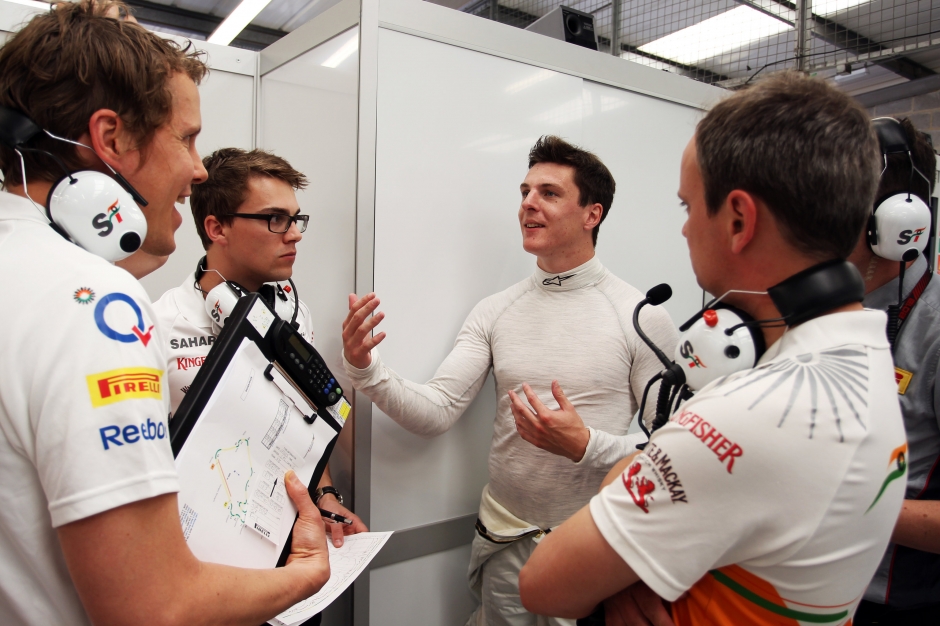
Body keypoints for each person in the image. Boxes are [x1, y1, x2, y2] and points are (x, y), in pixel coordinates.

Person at [517, 72, 907, 626]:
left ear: (739, 220)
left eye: (688, 206)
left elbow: (543, 585)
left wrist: (630, 502)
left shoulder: (748, 415)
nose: (683, 230)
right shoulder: (865, 354)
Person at [0, 3, 331, 625]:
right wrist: (306, 574)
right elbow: (155, 607)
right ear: (111, 139)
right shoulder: (95, 303)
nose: (198, 170)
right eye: (186, 138)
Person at [342, 135, 677, 625]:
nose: (528, 204)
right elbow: (437, 411)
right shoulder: (496, 310)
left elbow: (670, 449)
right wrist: (366, 369)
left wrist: (586, 445)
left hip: (593, 547)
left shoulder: (641, 317)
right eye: (525, 192)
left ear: (593, 214)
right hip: (503, 538)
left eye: (549, 193)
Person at [153, 147, 367, 549]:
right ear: (217, 228)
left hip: (287, 539)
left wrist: (324, 495)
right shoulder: (160, 326)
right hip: (197, 546)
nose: (295, 234)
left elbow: (303, 426)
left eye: (296, 219)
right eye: (275, 219)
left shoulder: (292, 314)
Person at [848, 118, 940, 625]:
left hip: (889, 604)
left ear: (897, 222)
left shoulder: (934, 330)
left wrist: (845, 500)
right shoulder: (816, 310)